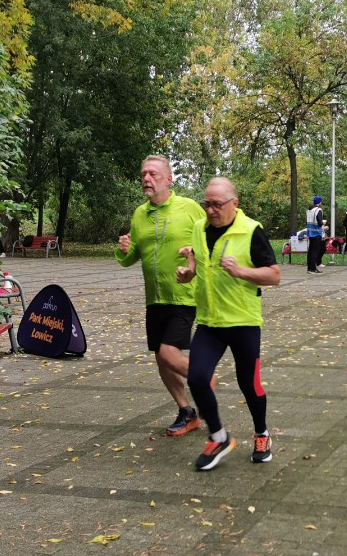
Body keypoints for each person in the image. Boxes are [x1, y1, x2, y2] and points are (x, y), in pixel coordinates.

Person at [176, 177, 281, 471]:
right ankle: (219, 437)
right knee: (197, 378)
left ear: (234, 204)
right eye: (206, 203)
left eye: (217, 204)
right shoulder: (199, 229)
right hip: (210, 321)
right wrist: (188, 273)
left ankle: (262, 434)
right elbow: (199, 261)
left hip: (244, 322)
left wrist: (241, 271)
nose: (210, 210)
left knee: (250, 384)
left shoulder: (251, 231)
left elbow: (274, 275)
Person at [116, 155, 207, 437]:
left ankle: (204, 380)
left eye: (153, 174)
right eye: (144, 174)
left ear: (168, 179)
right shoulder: (139, 214)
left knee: (169, 353)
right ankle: (187, 412)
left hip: (183, 294)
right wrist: (123, 248)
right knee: (161, 358)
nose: (147, 179)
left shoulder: (189, 208)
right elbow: (131, 257)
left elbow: (210, 240)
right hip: (154, 298)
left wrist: (194, 256)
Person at [305, 196, 325, 274]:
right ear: (319, 202)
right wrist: (323, 224)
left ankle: (309, 268)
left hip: (310, 232)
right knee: (315, 251)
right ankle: (313, 268)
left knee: (310, 251)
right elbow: (319, 222)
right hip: (317, 232)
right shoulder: (318, 210)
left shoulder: (309, 210)